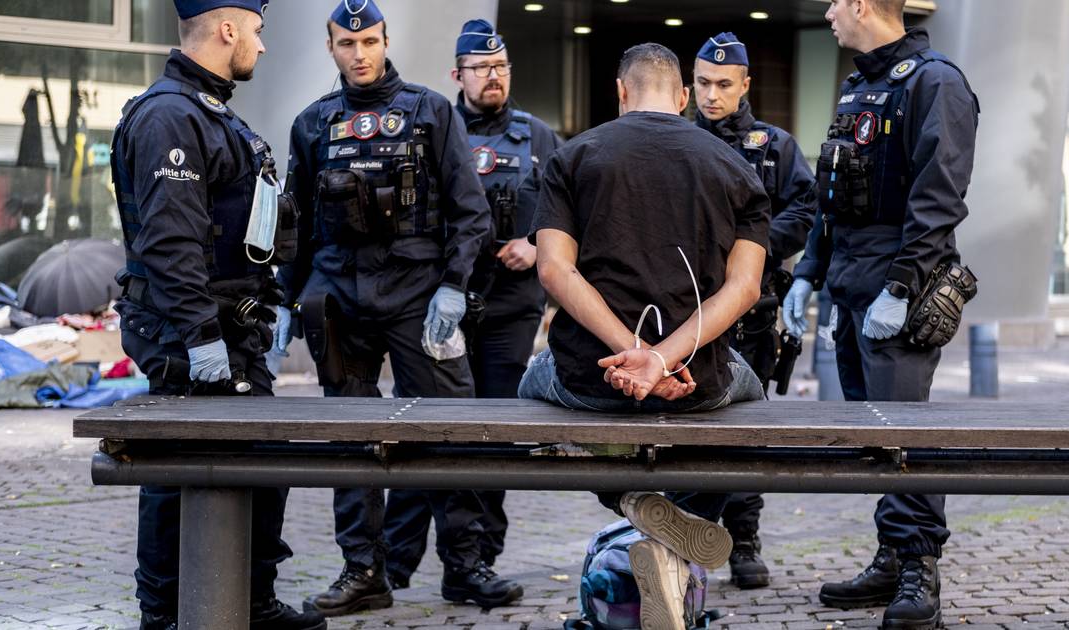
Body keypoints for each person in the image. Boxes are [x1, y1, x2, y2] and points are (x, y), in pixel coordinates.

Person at [274, 0, 523, 616]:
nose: (359, 55)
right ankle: (363, 571)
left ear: (385, 40)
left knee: (450, 427)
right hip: (340, 298)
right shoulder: (312, 124)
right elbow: (296, 225)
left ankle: (465, 566)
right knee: (351, 438)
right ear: (330, 47)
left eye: (369, 42)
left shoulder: (431, 112)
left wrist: (453, 286)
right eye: (345, 44)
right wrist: (284, 299)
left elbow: (471, 214)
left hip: (419, 296)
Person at [517, 42, 770, 628]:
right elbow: (746, 288)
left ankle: (630, 501)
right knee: (752, 399)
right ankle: (674, 540)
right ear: (683, 97)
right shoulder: (736, 167)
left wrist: (627, 353)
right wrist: (660, 359)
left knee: (531, 385)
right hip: (696, 380)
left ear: (621, 91)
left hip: (591, 378)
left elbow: (553, 268)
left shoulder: (572, 157)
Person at [110, 1, 324, 628]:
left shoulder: (205, 110)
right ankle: (168, 615)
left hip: (230, 331)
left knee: (251, 465)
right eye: (257, 30)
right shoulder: (171, 116)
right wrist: (203, 337)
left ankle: (248, 600)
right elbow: (172, 242)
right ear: (227, 29)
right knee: (181, 474)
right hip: (195, 337)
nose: (262, 45)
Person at [783, 1, 979, 628]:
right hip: (849, 284)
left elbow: (938, 199)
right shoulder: (859, 85)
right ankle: (893, 556)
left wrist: (900, 288)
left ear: (862, 5)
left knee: (906, 436)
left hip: (899, 288)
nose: (829, 14)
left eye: (835, 3)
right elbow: (831, 193)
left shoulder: (935, 82)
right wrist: (807, 273)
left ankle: (920, 570)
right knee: (878, 436)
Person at [381, 18, 563, 590]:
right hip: (439, 305)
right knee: (422, 427)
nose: (493, 77)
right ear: (456, 74)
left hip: (510, 307)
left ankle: (475, 562)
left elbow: (565, 216)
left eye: (501, 67)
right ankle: (393, 563)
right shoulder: (430, 128)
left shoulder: (538, 136)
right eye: (481, 69)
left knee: (493, 431)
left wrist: (535, 246)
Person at [692, 31, 818, 591]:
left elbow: (808, 207)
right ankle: (687, 533)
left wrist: (755, 251)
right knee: (685, 429)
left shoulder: (774, 147)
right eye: (701, 83)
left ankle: (743, 540)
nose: (711, 95)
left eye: (723, 84)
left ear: (745, 84)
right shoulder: (675, 139)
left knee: (744, 431)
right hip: (685, 315)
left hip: (751, 317)